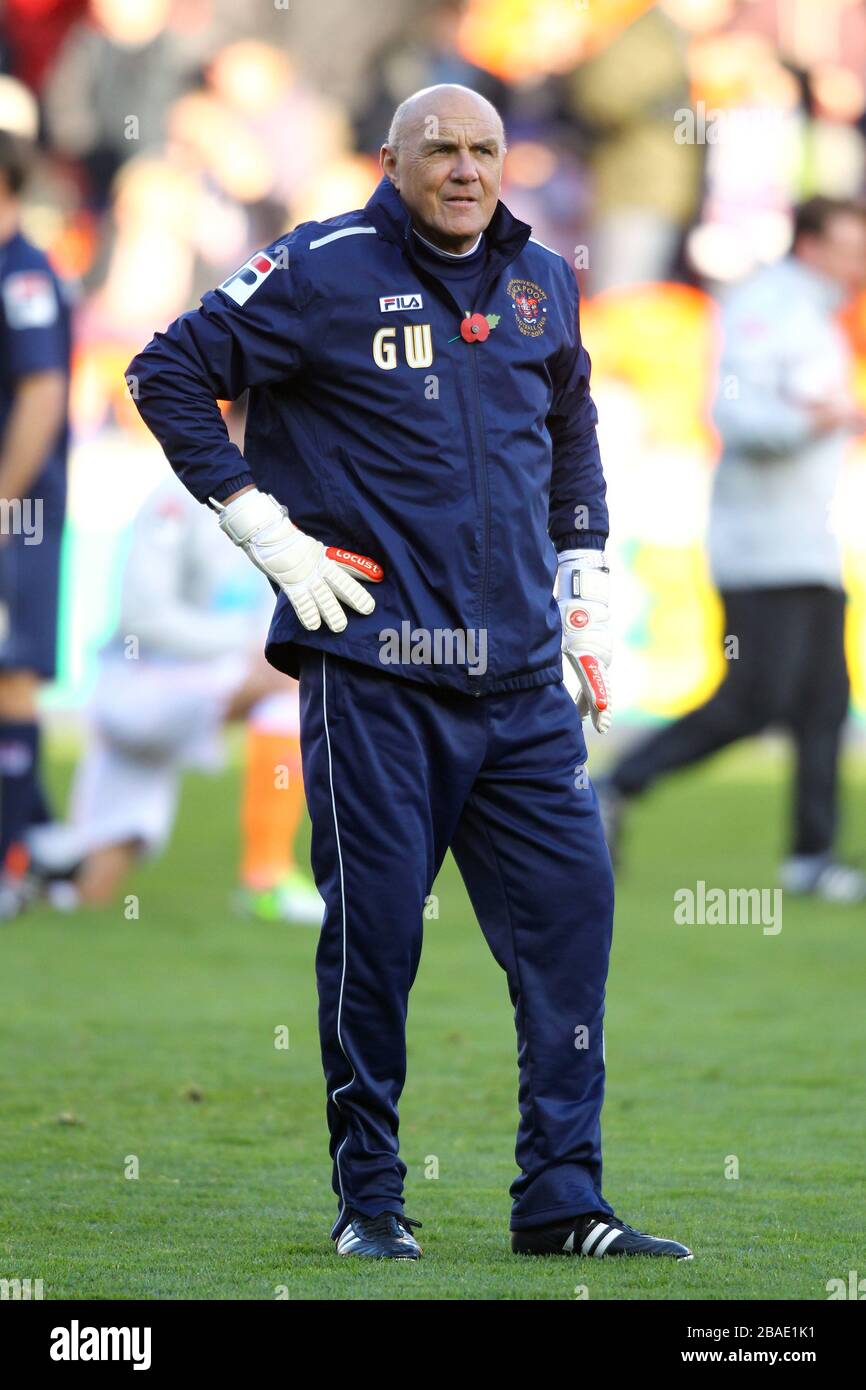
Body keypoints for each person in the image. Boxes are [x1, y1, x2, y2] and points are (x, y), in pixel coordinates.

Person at [126, 84, 692, 1262]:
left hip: (524, 684)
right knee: (378, 939)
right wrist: (261, 528)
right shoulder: (320, 267)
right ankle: (370, 1200)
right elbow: (165, 371)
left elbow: (570, 418)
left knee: (571, 928)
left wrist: (581, 560)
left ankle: (561, 1199)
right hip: (375, 671)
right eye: (439, 148)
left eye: (484, 148)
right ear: (393, 158)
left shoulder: (543, 278)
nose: (464, 168)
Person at [599, 197, 866, 902]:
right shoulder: (767, 306)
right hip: (761, 542)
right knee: (755, 701)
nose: (858, 263)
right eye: (848, 247)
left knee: (824, 704)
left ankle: (812, 857)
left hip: (807, 539)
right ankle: (613, 785)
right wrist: (825, 420)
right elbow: (734, 414)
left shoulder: (812, 313)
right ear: (809, 245)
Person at [24, 477, 323, 923]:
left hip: (189, 690)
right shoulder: (179, 498)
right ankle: (266, 877)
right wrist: (249, 646)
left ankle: (34, 873)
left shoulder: (288, 498)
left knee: (91, 889)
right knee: (290, 686)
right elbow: (142, 618)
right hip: (141, 688)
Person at [0, 131, 70, 914]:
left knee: (10, 671)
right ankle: (44, 839)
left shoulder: (24, 277)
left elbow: (43, 396)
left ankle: (9, 865)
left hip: (17, 513)